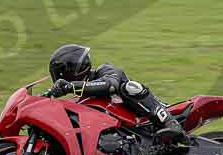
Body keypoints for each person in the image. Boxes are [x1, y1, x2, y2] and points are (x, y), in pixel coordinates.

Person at [45, 44, 187, 143]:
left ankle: (171, 123)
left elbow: (110, 85)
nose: (60, 78)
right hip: (129, 132)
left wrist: (70, 86)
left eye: (61, 73)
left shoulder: (106, 70)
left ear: (74, 68)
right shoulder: (82, 97)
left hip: (150, 117)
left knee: (130, 88)